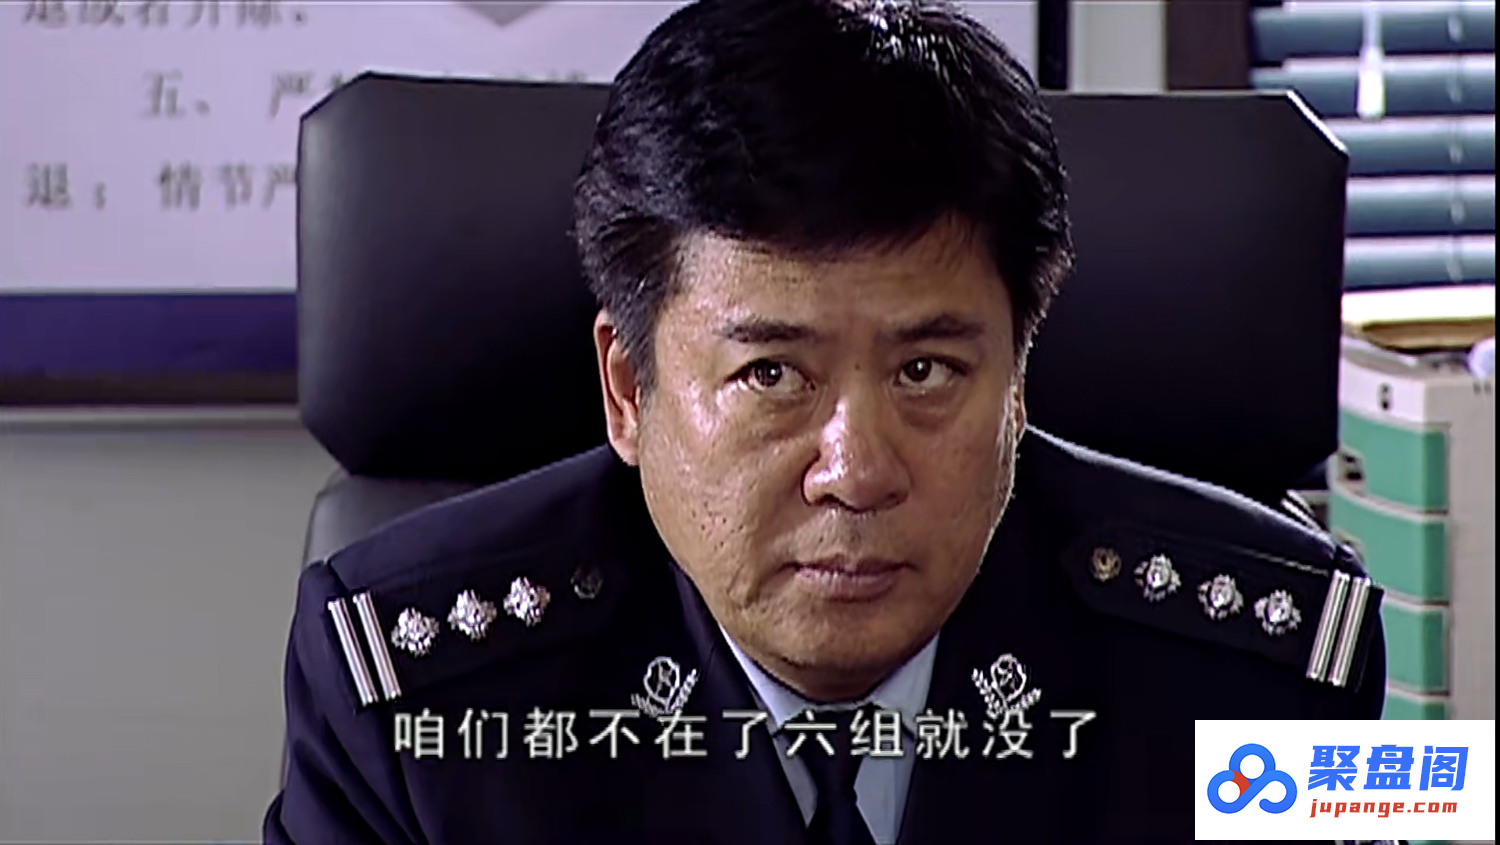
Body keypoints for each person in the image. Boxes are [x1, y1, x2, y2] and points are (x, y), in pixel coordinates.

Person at [264, 1, 1388, 842]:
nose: (855, 471)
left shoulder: (1274, 668)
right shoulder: (410, 696)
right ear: (628, 390)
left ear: (1018, 379)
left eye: (928, 370)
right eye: (771, 376)